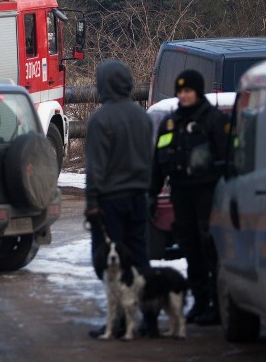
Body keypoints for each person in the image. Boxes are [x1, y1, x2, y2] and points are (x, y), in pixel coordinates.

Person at [151, 69, 229, 326]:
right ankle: (200, 301)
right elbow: (159, 162)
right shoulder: (171, 123)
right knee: (191, 248)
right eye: (181, 91)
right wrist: (151, 194)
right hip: (181, 193)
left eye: (189, 91)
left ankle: (219, 306)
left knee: (211, 249)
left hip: (208, 194)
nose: (184, 96)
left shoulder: (213, 120)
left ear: (198, 92)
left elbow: (226, 161)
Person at [84, 60, 154, 337]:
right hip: (139, 197)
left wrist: (91, 203)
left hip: (110, 202)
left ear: (105, 83)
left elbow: (96, 167)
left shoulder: (101, 119)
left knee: (109, 262)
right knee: (139, 258)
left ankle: (121, 322)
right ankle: (148, 318)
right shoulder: (143, 117)